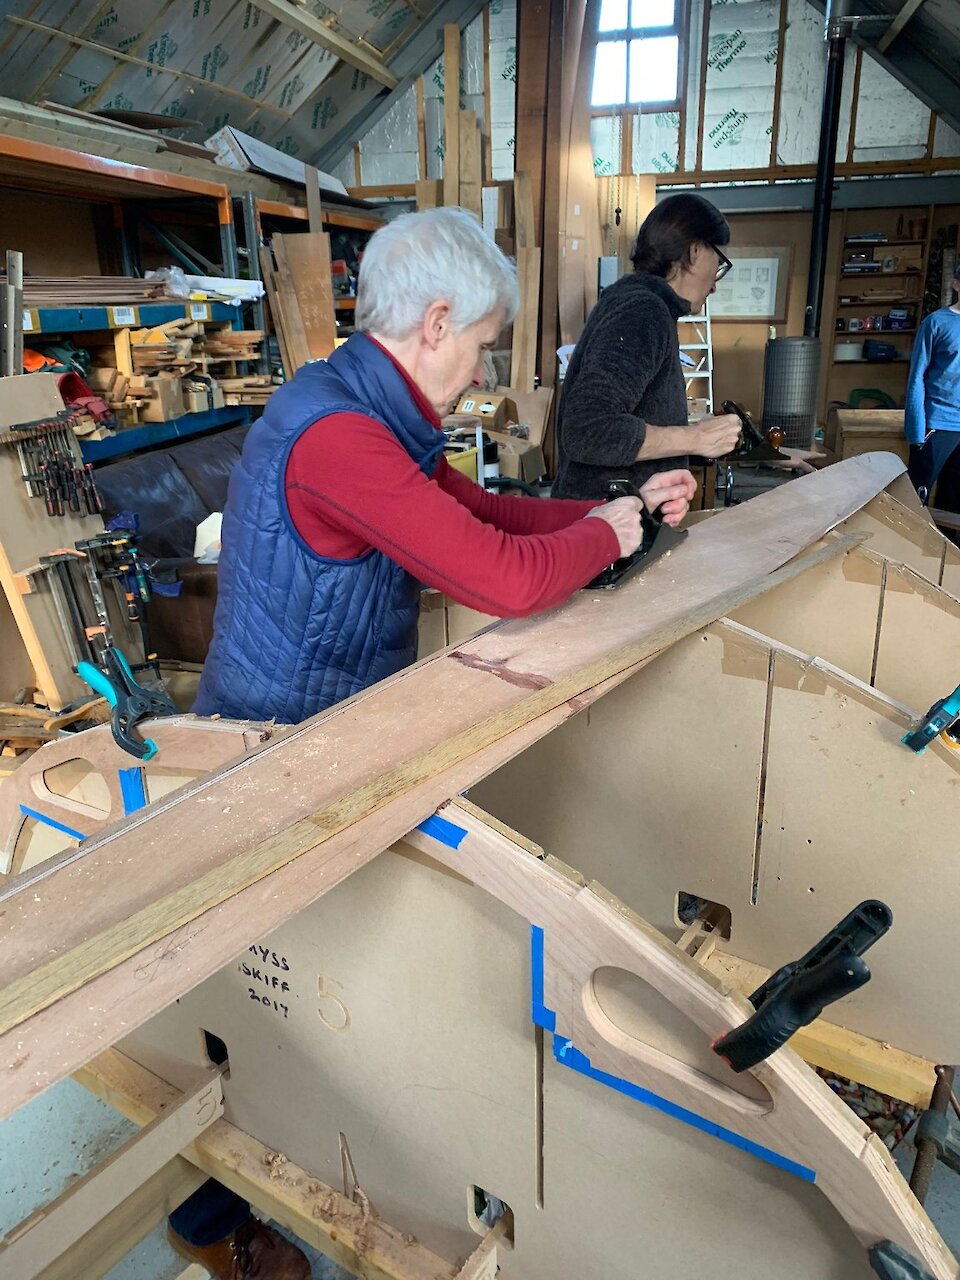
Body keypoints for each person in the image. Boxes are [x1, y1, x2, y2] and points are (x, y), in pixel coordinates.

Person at [170, 207, 696, 1278]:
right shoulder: (337, 436)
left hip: (332, 729)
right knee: (287, 984)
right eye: (485, 343)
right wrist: (610, 533)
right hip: (275, 746)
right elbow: (495, 577)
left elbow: (488, 515)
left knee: (318, 972)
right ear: (437, 320)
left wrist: (621, 507)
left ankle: (265, 1163)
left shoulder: (372, 417)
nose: (484, 368)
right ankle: (237, 1189)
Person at [552, 192, 742, 502]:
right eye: (718, 261)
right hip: (603, 528)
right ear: (694, 250)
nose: (716, 283)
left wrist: (692, 431)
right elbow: (587, 430)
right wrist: (694, 438)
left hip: (617, 521)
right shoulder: (642, 311)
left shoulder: (642, 304)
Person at [905, 260, 960, 509]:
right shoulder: (936, 323)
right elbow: (916, 376)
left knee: (953, 504)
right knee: (916, 502)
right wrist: (916, 431)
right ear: (956, 284)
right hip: (937, 424)